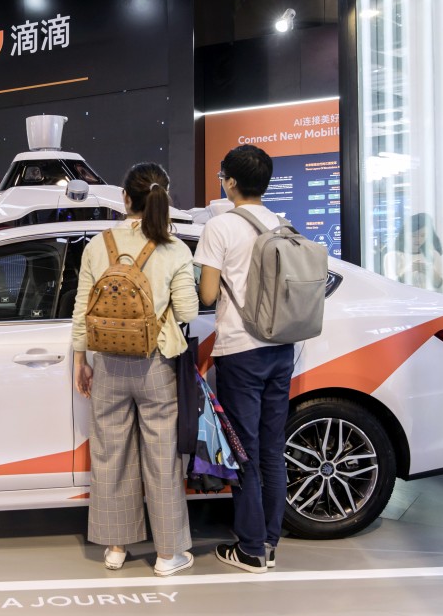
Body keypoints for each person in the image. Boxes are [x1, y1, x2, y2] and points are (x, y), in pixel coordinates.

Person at [71, 162, 199, 577]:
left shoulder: (98, 245)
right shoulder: (175, 248)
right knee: (161, 458)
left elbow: (81, 309)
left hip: (107, 362)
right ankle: (167, 555)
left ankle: (115, 547)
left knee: (111, 455)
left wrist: (80, 359)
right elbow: (188, 311)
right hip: (156, 364)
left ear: (125, 199)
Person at [194, 144, 292, 574]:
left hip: (241, 349)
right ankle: (269, 538)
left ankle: (251, 548)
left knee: (244, 450)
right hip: (281, 347)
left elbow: (208, 296)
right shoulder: (283, 224)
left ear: (230, 181)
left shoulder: (221, 227)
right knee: (272, 448)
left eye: (222, 175)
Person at [383, 212, 443, 292]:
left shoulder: (433, 255)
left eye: (423, 235)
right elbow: (389, 286)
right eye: (413, 235)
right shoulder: (392, 256)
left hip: (429, 300)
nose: (418, 239)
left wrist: (432, 273)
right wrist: (408, 271)